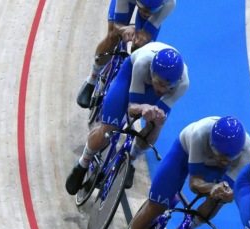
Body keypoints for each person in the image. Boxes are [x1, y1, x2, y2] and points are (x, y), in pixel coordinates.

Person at [65, 41, 189, 195]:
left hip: (155, 87)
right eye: (158, 83)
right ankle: (83, 163)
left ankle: (131, 158)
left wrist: (156, 120)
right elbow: (132, 109)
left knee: (155, 125)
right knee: (108, 129)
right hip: (130, 78)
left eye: (166, 86)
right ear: (152, 71)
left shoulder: (183, 84)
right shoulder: (143, 63)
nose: (160, 89)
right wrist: (143, 107)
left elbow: (159, 117)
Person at [118, 116, 250, 229]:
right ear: (211, 143)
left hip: (218, 170)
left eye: (230, 158)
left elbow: (234, 195)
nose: (224, 161)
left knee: (218, 199)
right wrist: (213, 187)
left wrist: (226, 194)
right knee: (156, 206)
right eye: (219, 155)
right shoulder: (200, 133)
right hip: (184, 153)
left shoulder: (248, 156)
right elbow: (194, 183)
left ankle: (187, 228)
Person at [77, 0, 176, 108]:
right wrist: (124, 28)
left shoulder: (169, 3)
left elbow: (146, 33)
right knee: (113, 37)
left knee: (142, 46)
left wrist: (139, 40)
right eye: (143, 8)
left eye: (152, 9)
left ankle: (127, 77)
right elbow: (117, 26)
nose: (146, 13)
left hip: (152, 6)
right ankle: (92, 80)